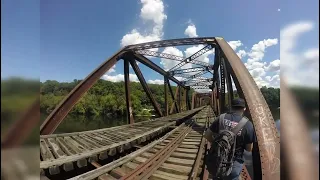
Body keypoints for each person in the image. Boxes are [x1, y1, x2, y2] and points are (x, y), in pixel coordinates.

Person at [204, 98, 257, 180]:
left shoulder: (221, 118)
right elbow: (249, 149)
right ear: (244, 109)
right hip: (234, 163)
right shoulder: (248, 125)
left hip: (217, 159)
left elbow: (207, 135)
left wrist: (217, 144)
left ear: (231, 107)